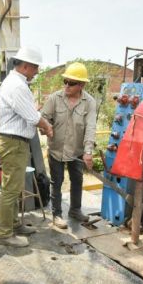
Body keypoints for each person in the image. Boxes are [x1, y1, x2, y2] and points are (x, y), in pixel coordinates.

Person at [0, 46, 53, 247]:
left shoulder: (16, 83)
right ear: (26, 66)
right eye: (35, 68)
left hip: (15, 141)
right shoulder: (17, 86)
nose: (37, 72)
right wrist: (47, 126)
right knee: (11, 189)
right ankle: (5, 234)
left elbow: (26, 113)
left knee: (15, 186)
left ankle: (13, 224)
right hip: (13, 142)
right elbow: (31, 116)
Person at [41, 62, 97, 229]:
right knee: (57, 182)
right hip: (56, 149)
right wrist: (46, 128)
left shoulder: (89, 102)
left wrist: (88, 151)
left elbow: (91, 127)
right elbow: (43, 119)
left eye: (71, 83)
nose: (66, 85)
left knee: (77, 180)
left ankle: (75, 210)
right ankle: (57, 215)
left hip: (77, 150)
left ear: (82, 85)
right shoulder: (54, 99)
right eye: (65, 81)